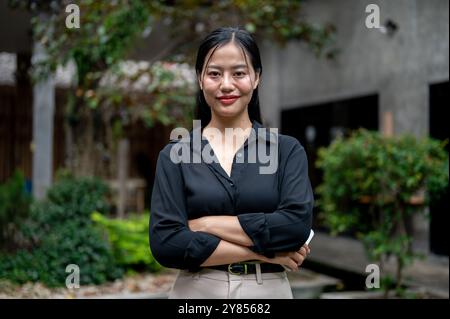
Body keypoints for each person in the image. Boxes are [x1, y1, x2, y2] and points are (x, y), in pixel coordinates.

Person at [149, 27, 314, 299]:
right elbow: (166, 244)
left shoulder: (286, 151)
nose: (226, 84)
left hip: (268, 292)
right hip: (197, 292)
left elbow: (295, 227)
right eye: (214, 73)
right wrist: (269, 254)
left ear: (256, 77)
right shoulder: (175, 155)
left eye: (239, 73)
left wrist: (205, 224)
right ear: (200, 80)